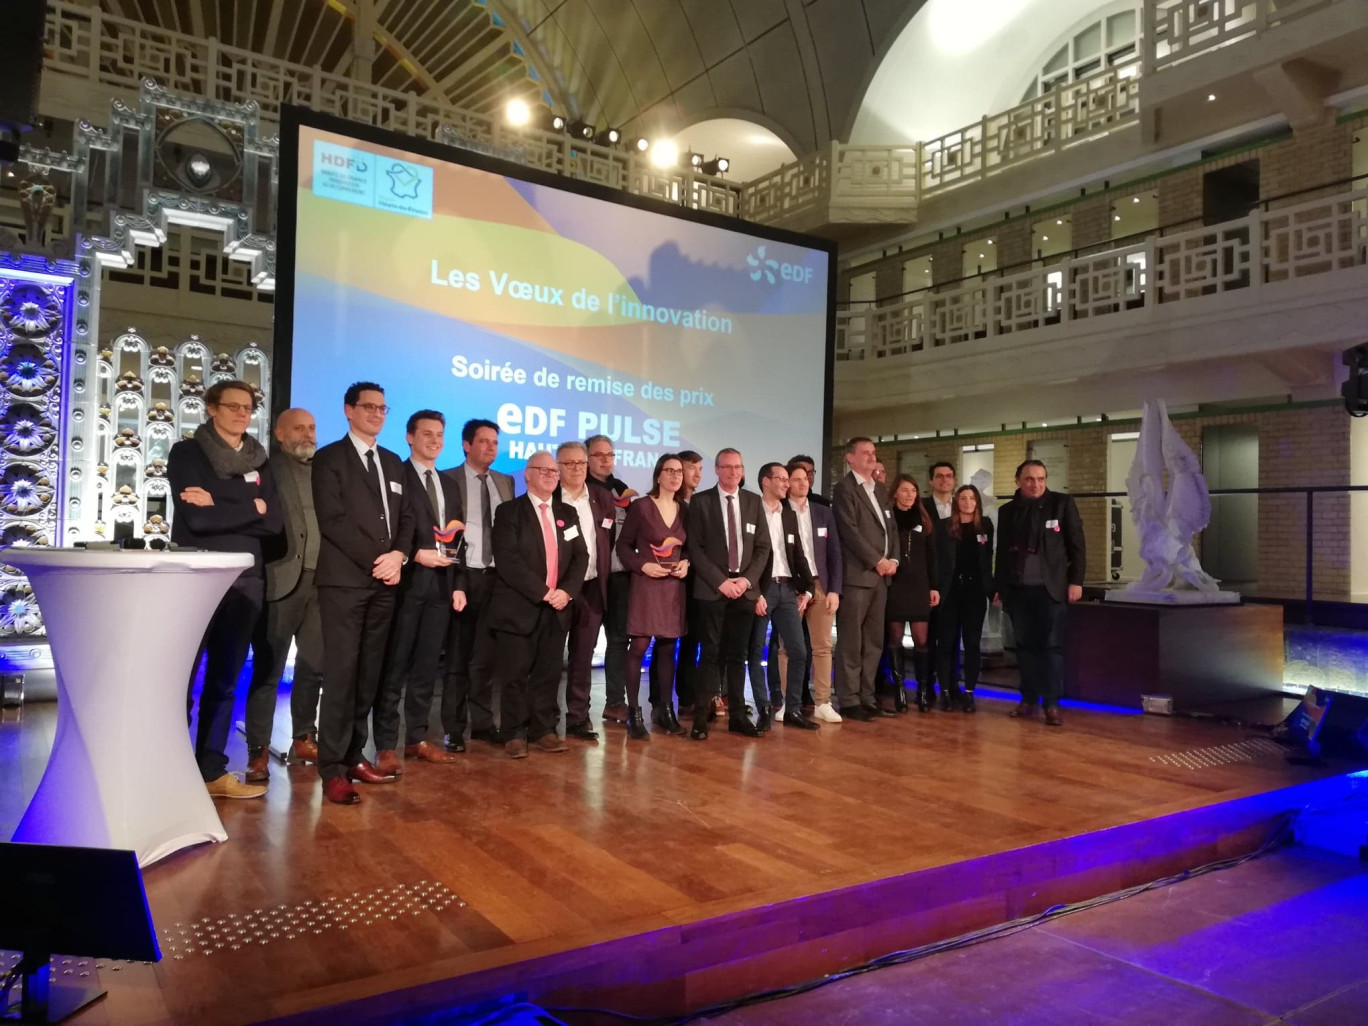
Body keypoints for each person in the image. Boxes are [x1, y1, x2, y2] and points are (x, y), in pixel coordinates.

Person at [169, 379, 282, 800]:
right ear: (211, 409)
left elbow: (274, 522)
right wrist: (249, 504)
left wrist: (218, 500)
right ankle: (170, 768)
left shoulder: (261, 459)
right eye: (232, 406)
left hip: (246, 580)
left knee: (225, 680)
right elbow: (197, 522)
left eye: (247, 407)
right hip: (196, 576)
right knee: (181, 677)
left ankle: (211, 771)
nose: (240, 414)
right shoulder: (187, 453)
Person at [312, 381, 413, 805]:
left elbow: (408, 517)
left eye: (382, 408)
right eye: (368, 406)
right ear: (348, 410)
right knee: (342, 676)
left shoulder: (392, 462)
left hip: (387, 582)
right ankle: (333, 769)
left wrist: (400, 556)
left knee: (369, 674)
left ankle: (354, 755)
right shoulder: (329, 459)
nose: (376, 413)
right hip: (346, 581)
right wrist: (381, 559)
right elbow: (333, 521)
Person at [371, 410, 467, 772]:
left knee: (428, 669)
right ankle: (384, 744)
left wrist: (459, 584)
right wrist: (413, 554)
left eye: (440, 434)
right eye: (427, 434)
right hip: (405, 586)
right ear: (410, 437)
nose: (435, 441)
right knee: (394, 668)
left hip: (441, 591)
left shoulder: (450, 484)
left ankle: (417, 738)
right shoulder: (397, 476)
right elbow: (389, 530)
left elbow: (458, 539)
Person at [486, 452, 588, 758]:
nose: (549, 474)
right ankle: (514, 732)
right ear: (527, 475)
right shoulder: (509, 512)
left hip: (558, 608)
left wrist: (566, 592)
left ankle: (543, 729)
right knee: (515, 673)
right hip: (521, 606)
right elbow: (508, 561)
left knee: (548, 672)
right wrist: (544, 592)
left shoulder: (567, 513)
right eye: (541, 470)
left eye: (552, 471)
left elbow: (581, 556)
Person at [245, 407, 323, 783]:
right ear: (279, 433)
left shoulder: (327, 471)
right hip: (279, 579)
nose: (307, 435)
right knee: (268, 670)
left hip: (321, 583)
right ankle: (257, 751)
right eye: (298, 429)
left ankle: (304, 738)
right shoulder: (265, 469)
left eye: (311, 428)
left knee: (314, 665)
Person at [685, 447, 771, 739]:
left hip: (744, 591)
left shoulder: (753, 502)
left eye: (738, 467)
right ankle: (700, 717)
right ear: (717, 470)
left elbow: (763, 548)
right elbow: (695, 548)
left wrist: (747, 581)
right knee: (709, 655)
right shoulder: (700, 502)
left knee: (738, 657)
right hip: (713, 590)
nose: (733, 472)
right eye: (727, 467)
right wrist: (721, 582)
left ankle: (737, 716)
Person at [441, 419, 516, 749]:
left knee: (486, 658)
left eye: (495, 442)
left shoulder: (506, 481)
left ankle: (484, 723)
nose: (491, 447)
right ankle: (454, 729)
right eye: (484, 441)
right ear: (466, 445)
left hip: (497, 578)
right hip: (462, 576)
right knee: (458, 656)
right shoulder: (447, 479)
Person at [995, 459, 1086, 728]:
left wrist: (1076, 581)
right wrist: (1000, 588)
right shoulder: (1007, 511)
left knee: (1051, 647)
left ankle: (1052, 704)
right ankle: (1028, 698)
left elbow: (1077, 546)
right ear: (1018, 481)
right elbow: (1001, 554)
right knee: (1024, 648)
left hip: (1052, 590)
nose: (1036, 484)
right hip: (1019, 591)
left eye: (1041, 479)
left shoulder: (1062, 504)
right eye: (1029, 479)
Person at [616, 454, 690, 739]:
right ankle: (634, 712)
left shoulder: (685, 509)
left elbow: (690, 548)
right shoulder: (642, 507)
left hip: (673, 588)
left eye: (679, 472)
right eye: (669, 471)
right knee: (639, 647)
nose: (675, 476)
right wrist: (641, 564)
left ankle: (664, 710)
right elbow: (623, 545)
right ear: (658, 475)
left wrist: (686, 563)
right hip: (647, 584)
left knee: (668, 648)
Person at [746, 463, 818, 731]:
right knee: (755, 653)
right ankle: (764, 707)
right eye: (782, 479)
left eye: (789, 479)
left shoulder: (788, 515)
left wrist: (808, 588)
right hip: (762, 590)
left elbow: (798, 553)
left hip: (788, 590)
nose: (787, 484)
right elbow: (746, 557)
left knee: (799, 651)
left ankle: (793, 709)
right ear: (766, 481)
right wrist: (753, 592)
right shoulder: (751, 511)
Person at [832, 438, 897, 721]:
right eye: (865, 453)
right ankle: (848, 699)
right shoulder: (845, 490)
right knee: (851, 641)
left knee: (874, 642)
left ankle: (868, 697)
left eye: (873, 453)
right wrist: (877, 561)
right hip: (857, 577)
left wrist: (893, 559)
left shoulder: (880, 489)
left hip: (881, 578)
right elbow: (850, 532)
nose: (872, 457)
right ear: (850, 458)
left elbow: (890, 528)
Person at [556, 440, 615, 741]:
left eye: (581, 463)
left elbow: (609, 539)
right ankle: (541, 719)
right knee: (549, 655)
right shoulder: (549, 498)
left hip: (592, 588)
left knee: (583, 656)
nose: (577, 468)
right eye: (570, 463)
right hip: (556, 590)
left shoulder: (602, 498)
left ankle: (578, 717)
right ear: (558, 467)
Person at [782, 461, 842, 723]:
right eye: (796, 478)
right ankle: (787, 702)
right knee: (787, 648)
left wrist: (834, 590)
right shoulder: (778, 511)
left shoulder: (823, 512)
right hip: (790, 584)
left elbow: (835, 554)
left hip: (820, 584)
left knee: (823, 646)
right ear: (786, 483)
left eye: (806, 477)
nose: (803, 482)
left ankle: (823, 702)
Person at [586, 434, 634, 725]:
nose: (605, 460)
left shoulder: (623, 492)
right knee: (585, 643)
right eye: (598, 454)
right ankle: (578, 710)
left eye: (610, 454)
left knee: (618, 640)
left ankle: (615, 702)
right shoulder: (578, 490)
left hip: (619, 579)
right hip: (590, 578)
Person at [935, 484, 995, 713]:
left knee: (972, 644)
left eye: (972, 498)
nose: (968, 502)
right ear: (956, 501)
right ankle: (947, 693)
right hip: (950, 592)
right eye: (963, 498)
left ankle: (969, 693)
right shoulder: (944, 527)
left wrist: (992, 589)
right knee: (947, 644)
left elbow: (987, 560)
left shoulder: (985, 525)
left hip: (975, 593)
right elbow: (939, 562)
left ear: (977, 501)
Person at [885, 474, 939, 713]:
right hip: (895, 584)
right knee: (895, 639)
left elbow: (932, 556)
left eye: (913, 490)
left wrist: (934, 586)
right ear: (895, 492)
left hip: (919, 585)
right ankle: (899, 690)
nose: (910, 495)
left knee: (922, 640)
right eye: (905, 490)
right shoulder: (887, 517)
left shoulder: (924, 518)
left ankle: (923, 690)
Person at [924, 461, 958, 710]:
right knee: (928, 638)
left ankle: (950, 685)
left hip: (956, 584)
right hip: (929, 582)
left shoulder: (963, 506)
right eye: (939, 476)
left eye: (948, 476)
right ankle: (926, 686)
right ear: (931, 481)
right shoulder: (922, 507)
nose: (944, 480)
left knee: (950, 639)